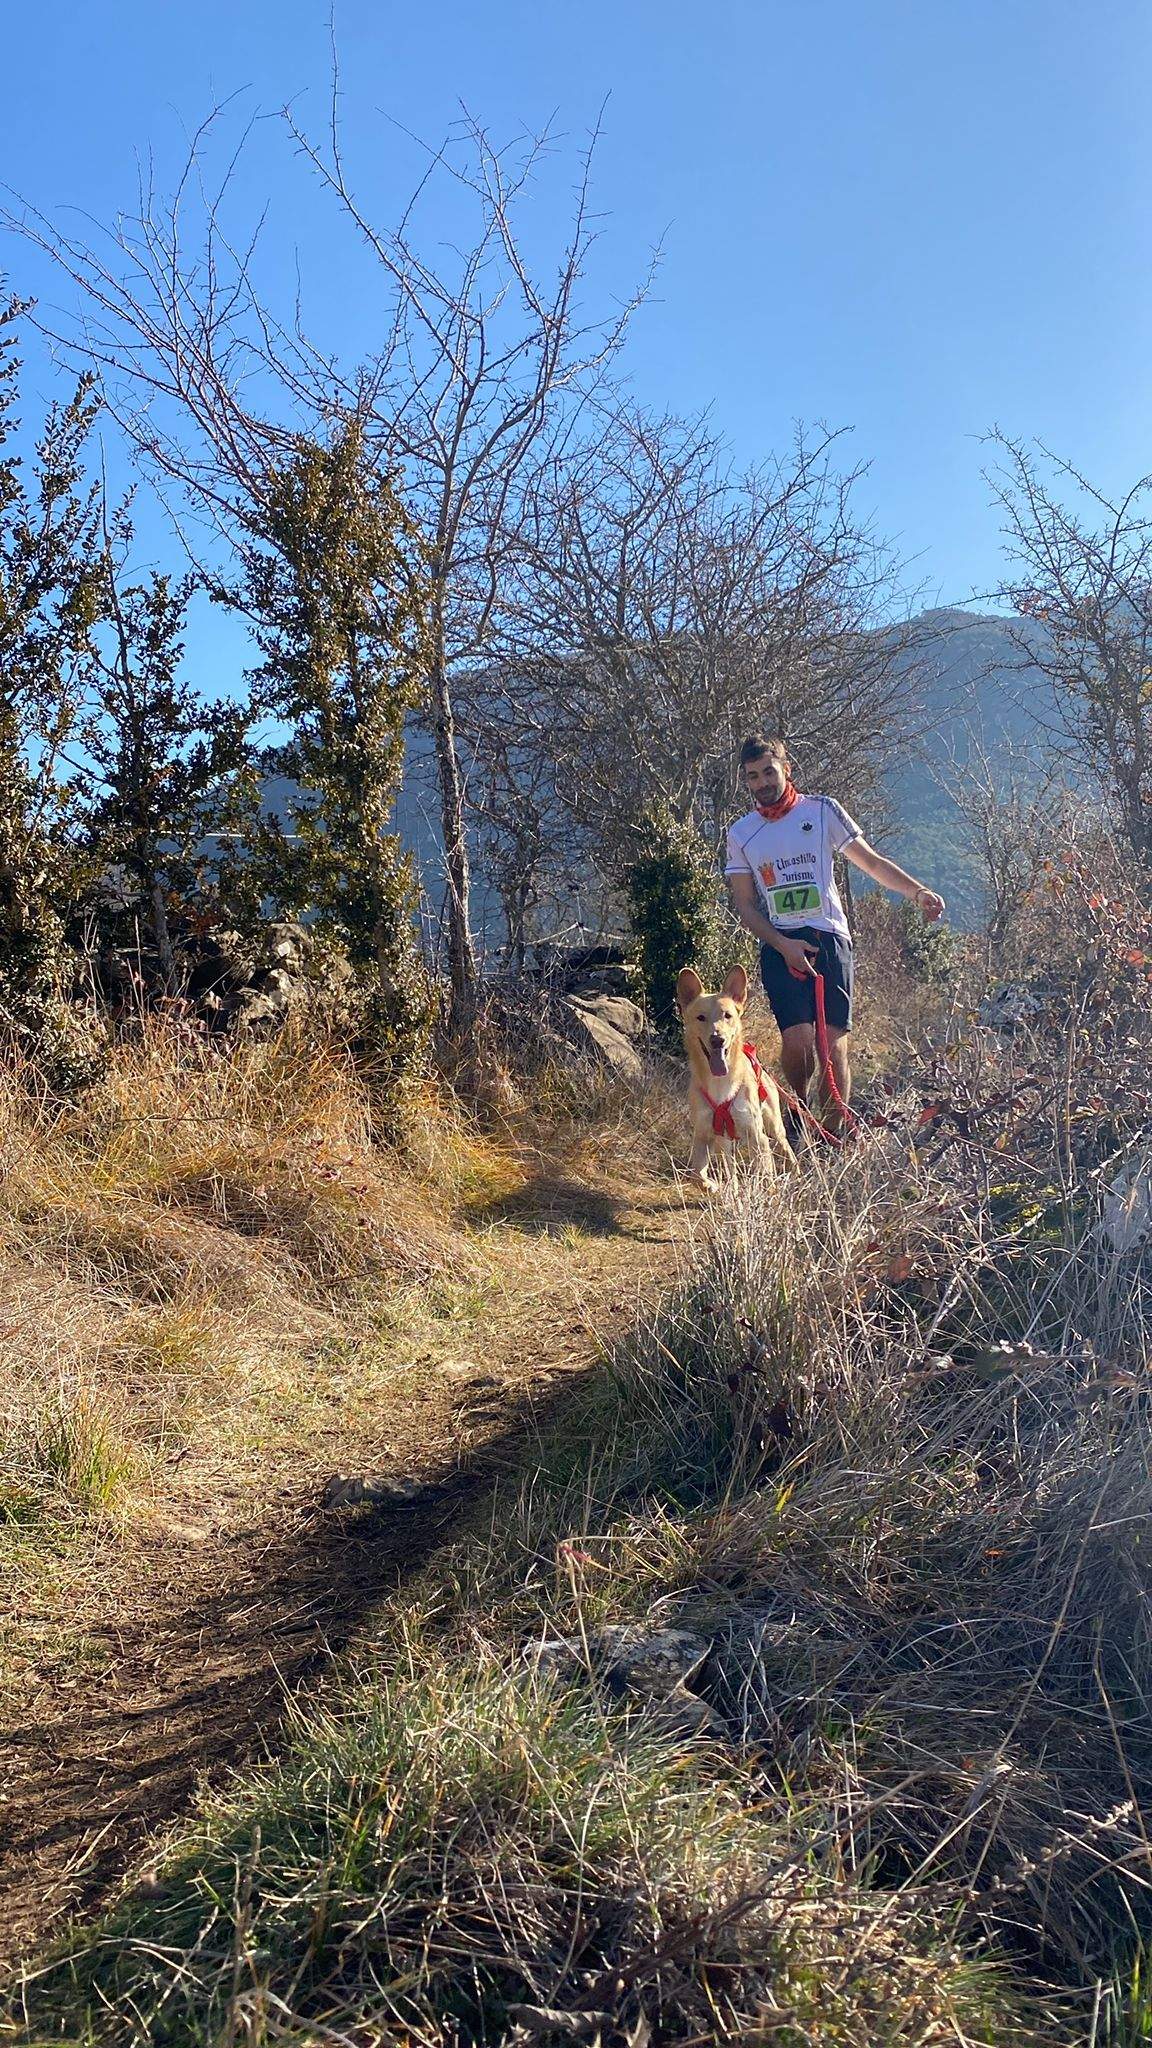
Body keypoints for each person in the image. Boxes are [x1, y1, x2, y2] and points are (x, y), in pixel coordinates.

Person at [725, 734, 945, 1127]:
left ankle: (833, 1135)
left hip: (829, 938)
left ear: (786, 769)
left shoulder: (823, 810)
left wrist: (917, 892)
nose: (763, 783)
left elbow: (872, 863)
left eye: (769, 772)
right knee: (798, 1043)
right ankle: (799, 1113)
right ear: (746, 781)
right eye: (753, 776)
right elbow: (745, 905)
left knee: (833, 1048)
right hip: (780, 942)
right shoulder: (742, 833)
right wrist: (783, 944)